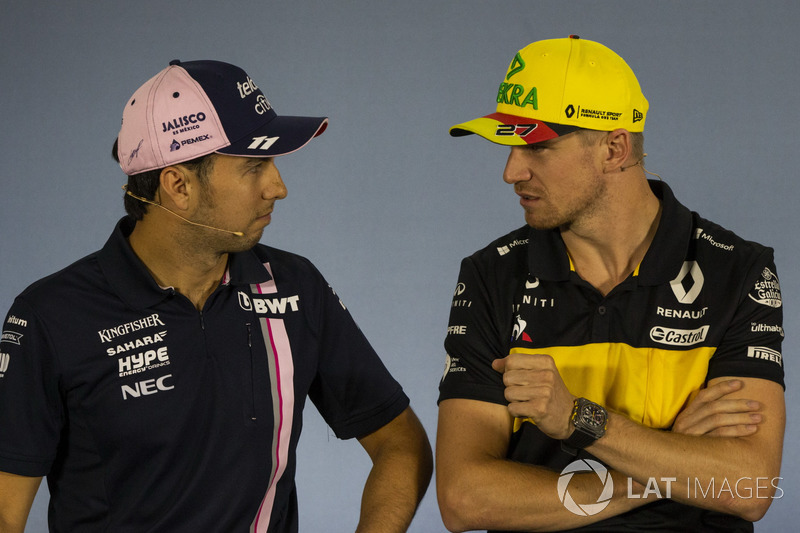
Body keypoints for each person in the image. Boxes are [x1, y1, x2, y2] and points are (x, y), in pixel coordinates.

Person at [0, 59, 432, 532]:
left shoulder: (295, 287)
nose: (278, 187)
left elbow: (401, 444)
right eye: (255, 166)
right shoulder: (50, 317)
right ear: (178, 185)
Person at [436, 36, 785, 532]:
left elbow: (749, 487)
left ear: (614, 148)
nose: (511, 170)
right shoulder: (491, 274)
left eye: (537, 145)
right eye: (510, 145)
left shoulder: (739, 270)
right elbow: (464, 499)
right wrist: (663, 462)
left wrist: (576, 417)